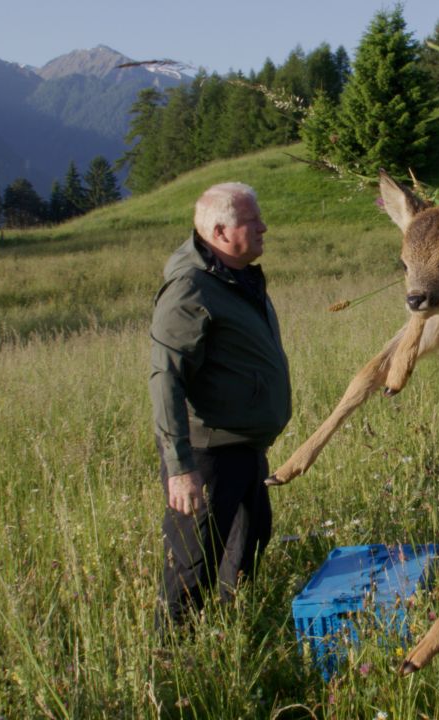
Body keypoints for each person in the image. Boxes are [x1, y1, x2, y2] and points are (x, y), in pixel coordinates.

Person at [148, 181, 291, 631]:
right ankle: (170, 655)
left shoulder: (237, 278)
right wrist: (180, 469)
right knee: (193, 569)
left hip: (245, 448)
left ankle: (230, 638)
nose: (264, 227)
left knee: (248, 548)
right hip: (207, 454)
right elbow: (166, 378)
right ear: (220, 232)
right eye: (252, 221)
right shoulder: (191, 289)